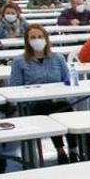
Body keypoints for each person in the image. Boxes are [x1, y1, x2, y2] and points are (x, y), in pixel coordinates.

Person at [10, 24, 79, 163]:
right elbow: (15, 87)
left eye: (40, 37)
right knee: (49, 110)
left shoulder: (58, 58)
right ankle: (60, 151)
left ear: (46, 39)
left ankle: (73, 150)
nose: (37, 40)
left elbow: (66, 79)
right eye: (33, 37)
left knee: (67, 110)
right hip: (34, 103)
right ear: (27, 41)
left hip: (58, 100)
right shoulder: (19, 61)